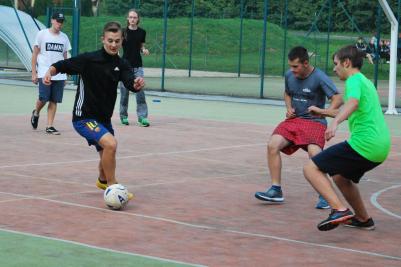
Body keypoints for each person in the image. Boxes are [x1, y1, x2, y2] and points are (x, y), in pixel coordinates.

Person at [42, 21, 145, 201]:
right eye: (110, 40)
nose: (113, 45)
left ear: (122, 41)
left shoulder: (123, 64)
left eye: (117, 41)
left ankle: (103, 179)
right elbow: (63, 64)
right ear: (103, 39)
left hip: (103, 119)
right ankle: (114, 188)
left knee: (107, 154)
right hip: (84, 118)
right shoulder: (89, 60)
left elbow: (130, 82)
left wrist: (136, 85)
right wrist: (50, 72)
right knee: (111, 144)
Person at [303, 45, 391, 231]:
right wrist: (324, 112)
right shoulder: (364, 82)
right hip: (380, 146)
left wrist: (334, 124)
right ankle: (363, 219)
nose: (334, 69)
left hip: (365, 144)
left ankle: (339, 210)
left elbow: (352, 103)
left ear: (347, 63)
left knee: (311, 168)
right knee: (340, 177)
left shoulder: (353, 80)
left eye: (336, 64)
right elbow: (352, 110)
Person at [254, 46, 343, 209]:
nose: (292, 70)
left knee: (314, 154)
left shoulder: (320, 77)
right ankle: (275, 190)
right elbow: (287, 93)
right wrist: (288, 107)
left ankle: (325, 195)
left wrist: (324, 112)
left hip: (315, 122)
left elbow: (337, 98)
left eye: (295, 66)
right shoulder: (290, 75)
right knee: (272, 145)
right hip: (294, 120)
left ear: (306, 63)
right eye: (290, 66)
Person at [31, 12, 71, 135]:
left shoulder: (64, 37)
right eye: (58, 21)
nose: (60, 24)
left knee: (54, 100)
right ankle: (36, 112)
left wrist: (66, 74)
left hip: (59, 74)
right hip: (44, 72)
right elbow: (35, 54)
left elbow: (65, 57)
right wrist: (34, 73)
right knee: (43, 98)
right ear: (52, 21)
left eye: (62, 22)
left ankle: (49, 126)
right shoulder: (42, 34)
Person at [119, 9, 150, 127]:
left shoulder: (142, 32)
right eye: (130, 17)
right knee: (124, 93)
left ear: (138, 19)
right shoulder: (123, 32)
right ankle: (123, 116)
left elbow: (141, 46)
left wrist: (144, 50)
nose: (132, 19)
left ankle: (142, 117)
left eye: (135, 17)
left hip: (138, 67)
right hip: (125, 67)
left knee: (140, 92)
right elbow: (117, 45)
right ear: (127, 19)